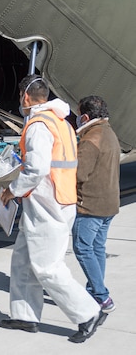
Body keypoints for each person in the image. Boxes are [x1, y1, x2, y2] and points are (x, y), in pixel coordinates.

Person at [0, 76, 106, 343]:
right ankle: (24, 315)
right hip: (56, 199)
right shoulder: (62, 122)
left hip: (48, 204)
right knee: (23, 261)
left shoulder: (38, 125)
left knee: (47, 267)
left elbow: (37, 169)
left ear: (25, 96)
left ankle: (88, 312)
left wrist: (13, 190)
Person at [72, 95, 120, 313]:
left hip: (91, 205)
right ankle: (95, 289)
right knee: (97, 248)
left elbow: (79, 174)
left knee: (82, 248)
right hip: (109, 202)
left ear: (84, 116)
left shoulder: (91, 139)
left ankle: (101, 295)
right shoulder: (109, 133)